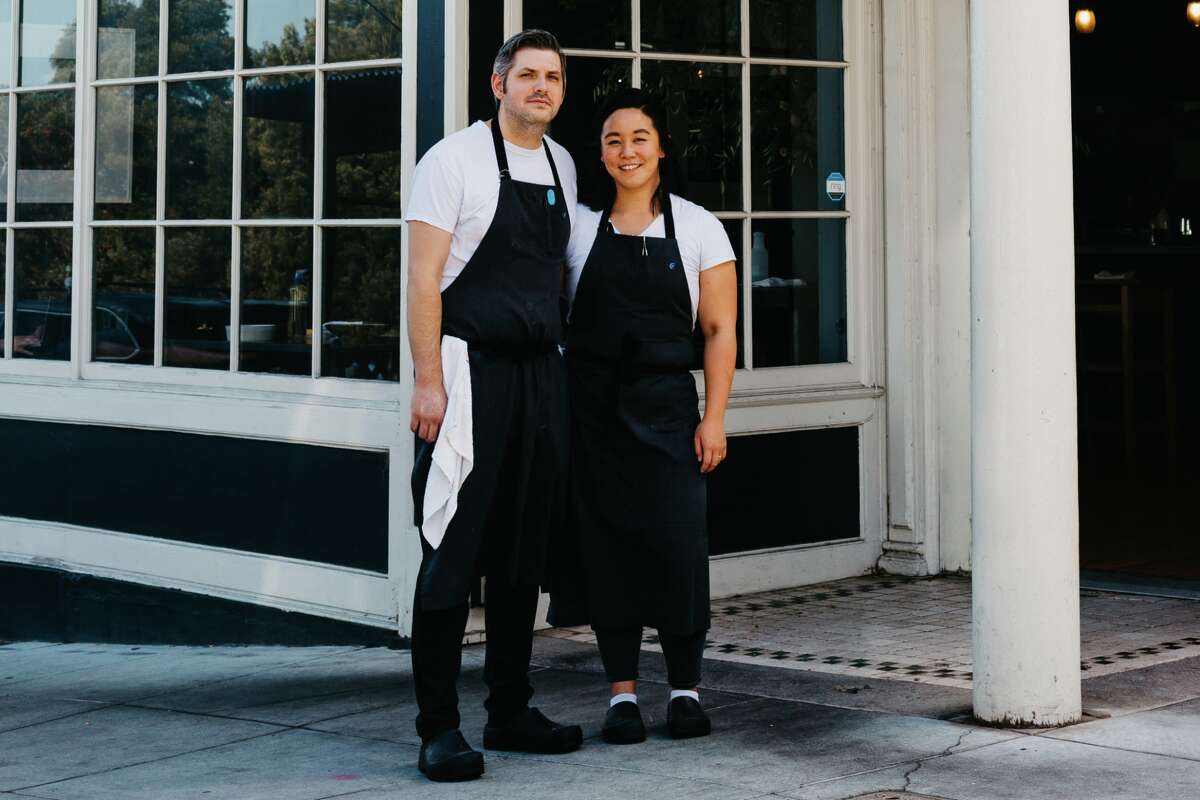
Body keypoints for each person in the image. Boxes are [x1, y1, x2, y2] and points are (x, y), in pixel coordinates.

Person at [404, 29, 582, 782]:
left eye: (553, 77)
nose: (541, 87)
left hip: (542, 378)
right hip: (468, 376)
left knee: (522, 556)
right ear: (497, 83)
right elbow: (422, 279)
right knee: (452, 551)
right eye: (528, 75)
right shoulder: (453, 161)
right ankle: (438, 728)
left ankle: (508, 711)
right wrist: (426, 379)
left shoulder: (563, 164)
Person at [564, 89, 738, 744]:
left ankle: (686, 690)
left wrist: (714, 416)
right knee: (607, 550)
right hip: (593, 413)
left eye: (639, 137)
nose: (627, 151)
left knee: (677, 548)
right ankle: (621, 696)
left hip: (668, 410)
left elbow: (720, 331)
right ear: (601, 154)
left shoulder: (697, 227)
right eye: (613, 139)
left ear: (661, 147)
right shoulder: (580, 229)